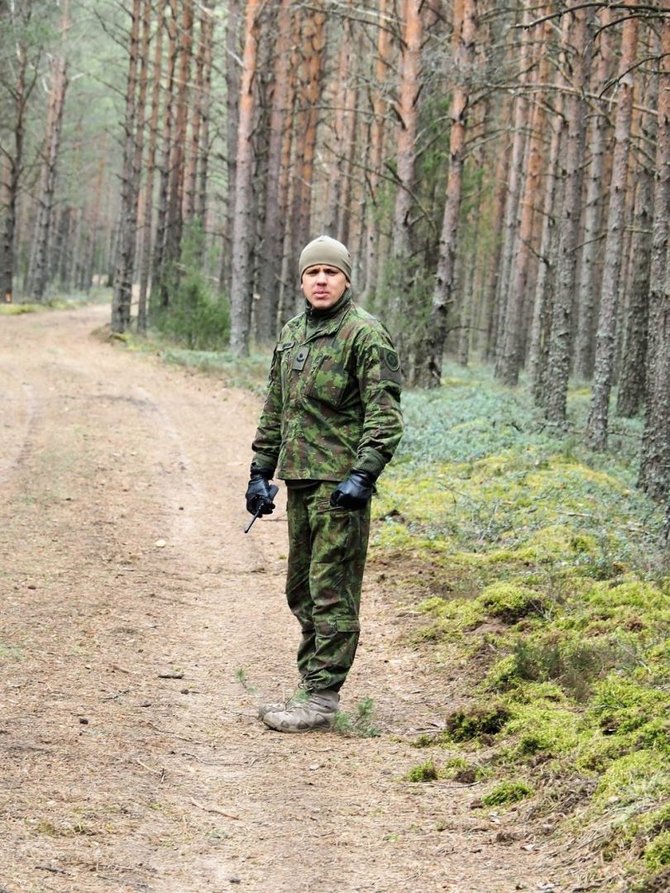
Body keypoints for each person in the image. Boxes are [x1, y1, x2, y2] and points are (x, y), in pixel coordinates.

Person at [245, 235, 403, 733]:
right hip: (300, 481)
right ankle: (309, 683)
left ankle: (321, 697)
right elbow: (276, 407)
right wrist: (259, 472)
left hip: (340, 486)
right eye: (312, 273)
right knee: (300, 588)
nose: (320, 281)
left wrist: (364, 473)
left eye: (330, 273)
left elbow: (386, 415)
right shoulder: (292, 333)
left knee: (331, 590)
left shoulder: (365, 335)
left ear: (346, 279)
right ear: (300, 280)